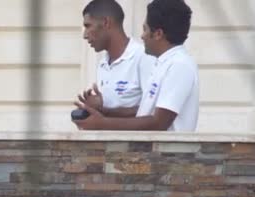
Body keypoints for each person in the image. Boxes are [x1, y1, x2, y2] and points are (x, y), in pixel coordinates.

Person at [74, 0, 199, 132]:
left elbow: (158, 123)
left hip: (167, 152)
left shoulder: (179, 64)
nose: (142, 36)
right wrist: (103, 111)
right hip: (147, 150)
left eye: (145, 29)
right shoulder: (164, 63)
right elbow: (144, 114)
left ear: (158, 34)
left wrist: (102, 123)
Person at [73, 0, 155, 127]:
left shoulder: (143, 57)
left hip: (137, 146)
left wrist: (104, 114)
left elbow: (153, 113)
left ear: (106, 23)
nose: (84, 35)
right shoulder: (103, 64)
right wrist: (96, 109)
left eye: (88, 26)